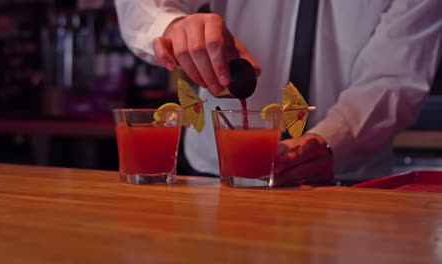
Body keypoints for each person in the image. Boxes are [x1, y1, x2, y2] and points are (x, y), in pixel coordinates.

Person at [115, 0, 442, 185]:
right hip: (213, 180)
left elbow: (392, 79)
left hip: (345, 183)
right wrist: (171, 26)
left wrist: (330, 141)